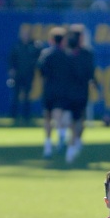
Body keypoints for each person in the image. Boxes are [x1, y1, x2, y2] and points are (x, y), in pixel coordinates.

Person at [64, 23, 98, 163]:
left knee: (77, 119)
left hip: (74, 91)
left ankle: (74, 142)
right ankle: (73, 143)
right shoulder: (70, 53)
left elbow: (90, 72)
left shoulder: (84, 53)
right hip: (74, 91)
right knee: (76, 119)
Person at [37, 26, 69, 158]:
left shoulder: (46, 54)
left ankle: (48, 145)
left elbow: (40, 70)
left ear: (51, 40)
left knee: (47, 117)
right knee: (59, 115)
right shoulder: (66, 55)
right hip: (61, 89)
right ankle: (61, 134)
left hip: (49, 89)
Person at [7, 24, 39, 125]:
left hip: (29, 74)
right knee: (15, 95)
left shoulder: (34, 46)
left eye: (27, 34)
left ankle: (26, 116)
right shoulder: (17, 46)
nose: (25, 36)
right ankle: (13, 115)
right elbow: (11, 59)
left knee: (27, 96)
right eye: (23, 34)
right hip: (18, 75)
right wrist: (11, 69)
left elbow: (39, 59)